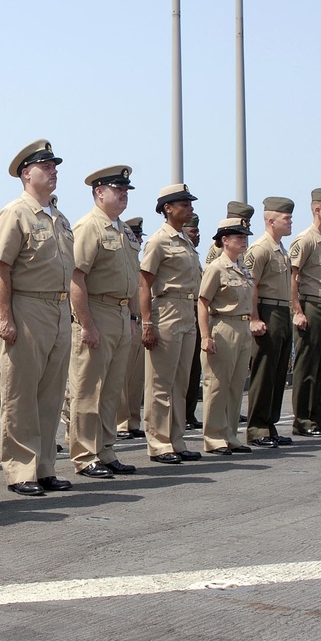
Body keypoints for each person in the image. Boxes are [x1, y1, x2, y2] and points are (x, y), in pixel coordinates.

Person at [0, 139, 75, 496]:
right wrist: (5, 316)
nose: (54, 171)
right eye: (46, 166)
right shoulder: (15, 213)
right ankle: (19, 470)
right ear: (27, 174)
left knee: (51, 395)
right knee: (20, 394)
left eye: (55, 166)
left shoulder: (60, 219)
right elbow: (1, 267)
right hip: (27, 309)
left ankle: (44, 467)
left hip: (58, 310)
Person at [68, 165, 140, 479]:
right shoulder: (89, 227)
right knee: (87, 390)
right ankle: (85, 455)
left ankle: (105, 450)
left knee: (112, 390)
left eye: (126, 189)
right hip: (97, 312)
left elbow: (132, 279)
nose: (123, 194)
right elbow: (76, 277)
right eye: (117, 189)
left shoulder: (123, 230)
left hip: (122, 315)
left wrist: (135, 319)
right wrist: (86, 324)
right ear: (99, 192)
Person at [139, 184, 202, 464]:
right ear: (168, 208)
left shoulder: (185, 241)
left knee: (180, 381)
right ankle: (159, 442)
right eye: (184, 204)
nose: (190, 208)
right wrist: (147, 322)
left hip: (186, 310)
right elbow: (144, 283)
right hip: (165, 309)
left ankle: (177, 439)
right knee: (160, 382)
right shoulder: (158, 241)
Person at [198, 219, 255, 454]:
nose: (243, 241)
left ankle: (230, 434)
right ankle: (213, 437)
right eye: (238, 237)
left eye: (244, 237)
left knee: (235, 385)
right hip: (223, 326)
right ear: (225, 240)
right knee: (217, 385)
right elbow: (203, 302)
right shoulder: (216, 268)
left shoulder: (243, 267)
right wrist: (205, 336)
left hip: (243, 327)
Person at [289, 188, 321, 437]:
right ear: (317, 209)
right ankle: (302, 420)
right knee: (307, 367)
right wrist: (297, 311)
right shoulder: (305, 240)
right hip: (312, 306)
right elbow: (293, 278)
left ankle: (316, 417)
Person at [244, 197, 296, 448]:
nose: (290, 221)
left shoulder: (280, 249)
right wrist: (254, 318)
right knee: (264, 372)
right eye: (286, 218)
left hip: (282, 311)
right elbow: (252, 285)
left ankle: (270, 423)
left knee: (278, 372)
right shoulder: (261, 249)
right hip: (267, 309)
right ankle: (257, 428)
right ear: (271, 220)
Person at [116, 217, 146, 440]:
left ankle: (133, 419)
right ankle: (121, 422)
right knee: (122, 376)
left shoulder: (136, 261)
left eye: (138, 237)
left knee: (136, 377)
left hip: (137, 320)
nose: (138, 241)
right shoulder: (123, 258)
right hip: (122, 317)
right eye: (135, 237)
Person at [182, 213, 203, 431]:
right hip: (181, 308)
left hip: (195, 310)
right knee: (182, 369)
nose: (197, 235)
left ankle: (189, 413)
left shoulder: (193, 255)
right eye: (193, 231)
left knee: (194, 368)